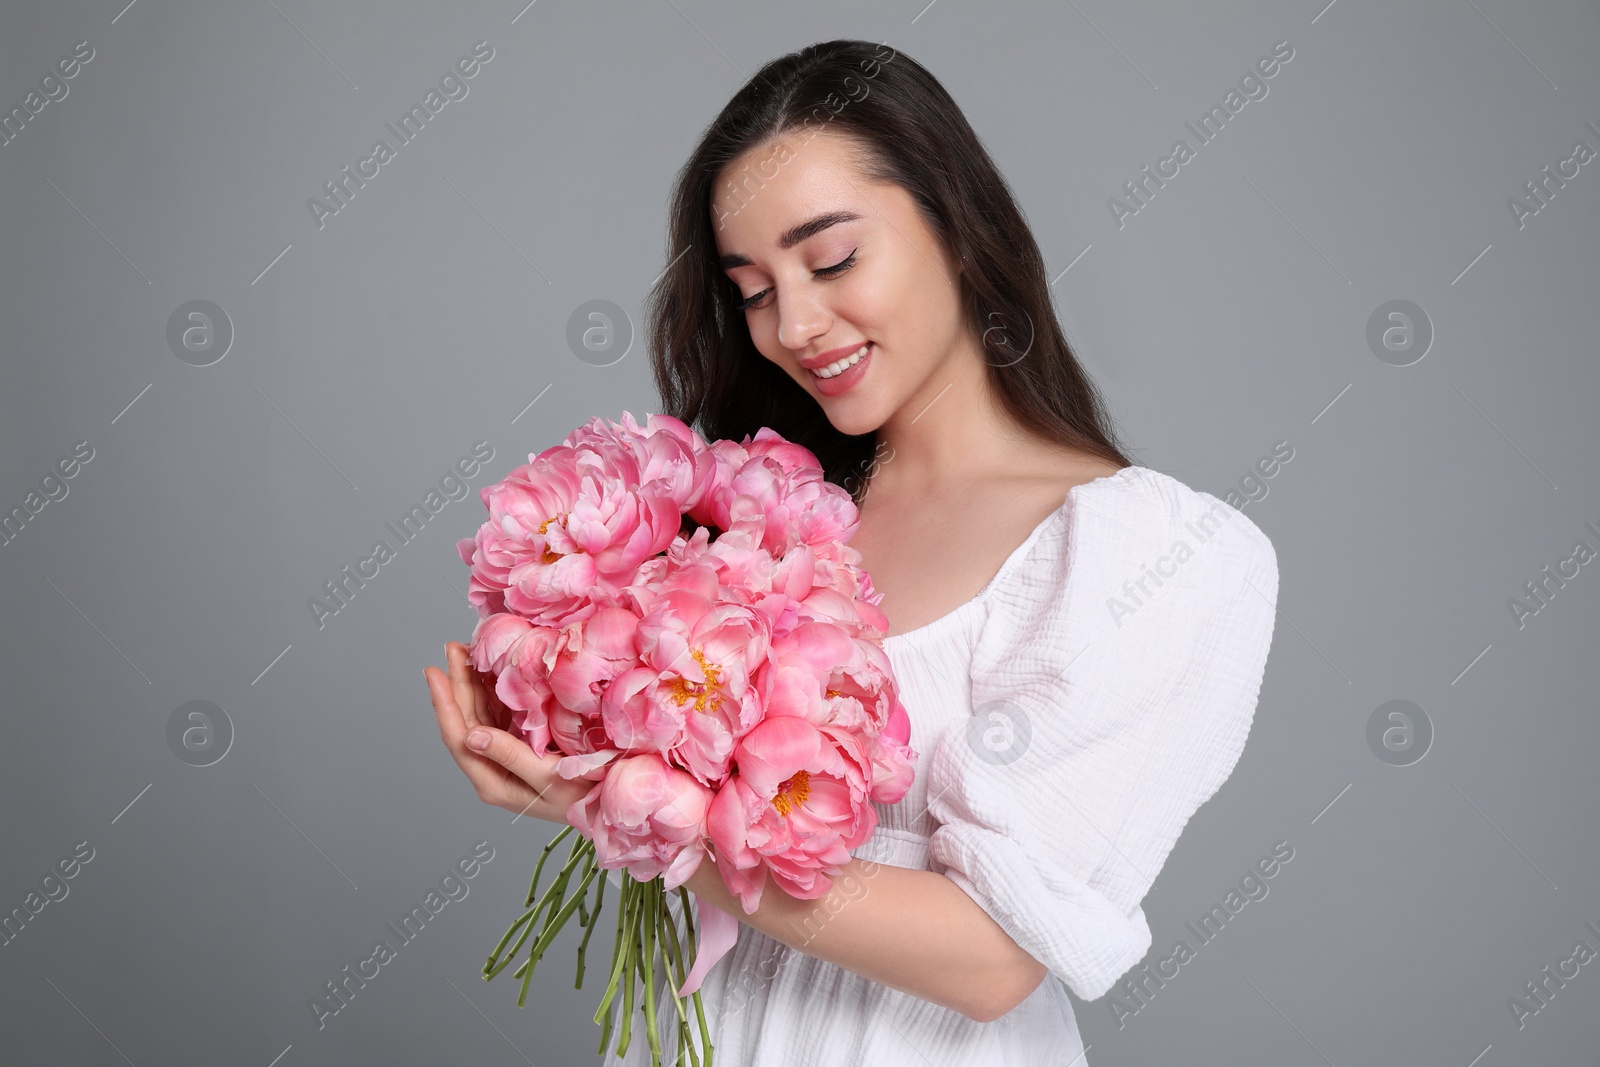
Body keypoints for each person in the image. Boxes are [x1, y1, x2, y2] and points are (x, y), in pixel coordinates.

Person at [425, 38, 1280, 1066]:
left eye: (832, 260)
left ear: (957, 229)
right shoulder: (761, 511)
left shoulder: (1144, 554)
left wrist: (644, 819)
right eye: (750, 288)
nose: (793, 322)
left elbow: (992, 957)